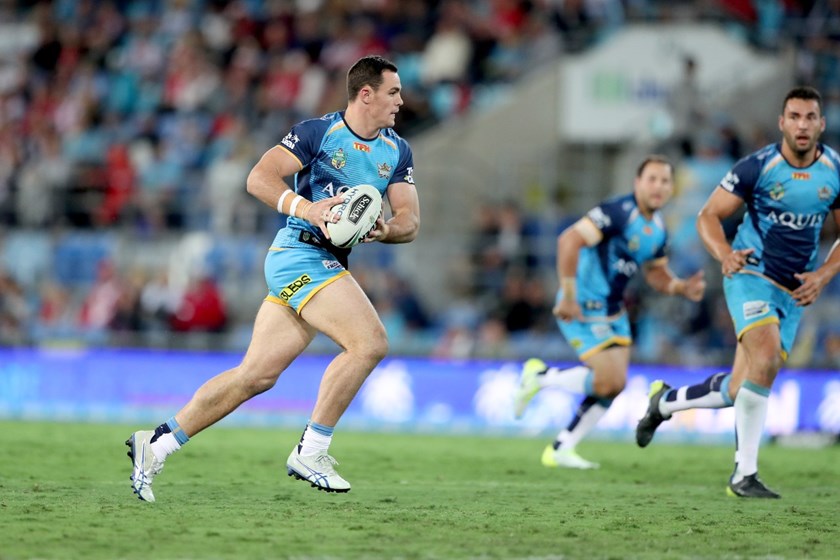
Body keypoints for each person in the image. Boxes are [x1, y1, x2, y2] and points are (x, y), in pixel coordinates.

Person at [125, 55, 420, 501]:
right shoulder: (317, 133)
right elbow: (258, 177)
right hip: (299, 252)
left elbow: (410, 221)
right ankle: (312, 450)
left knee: (255, 376)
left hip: (329, 262)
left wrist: (383, 229)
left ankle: (157, 443)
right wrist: (308, 208)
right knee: (370, 343)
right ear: (366, 94)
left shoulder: (397, 150)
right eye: (393, 92)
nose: (401, 100)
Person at [635, 86, 840, 499]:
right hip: (751, 274)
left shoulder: (835, 169)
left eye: (810, 117)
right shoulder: (757, 167)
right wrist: (725, 254)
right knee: (764, 358)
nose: (802, 125)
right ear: (782, 123)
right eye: (794, 117)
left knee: (738, 389)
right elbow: (707, 215)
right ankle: (743, 476)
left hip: (795, 289)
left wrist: (824, 274)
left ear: (821, 123)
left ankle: (664, 403)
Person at [513, 155, 706, 469]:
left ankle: (562, 447)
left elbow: (656, 273)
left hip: (614, 311)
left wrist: (680, 287)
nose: (658, 186)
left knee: (614, 384)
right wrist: (570, 294)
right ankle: (541, 377)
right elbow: (568, 240)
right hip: (583, 306)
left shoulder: (657, 229)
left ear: (672, 188)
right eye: (652, 179)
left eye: (665, 181)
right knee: (608, 379)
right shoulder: (616, 212)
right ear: (637, 183)